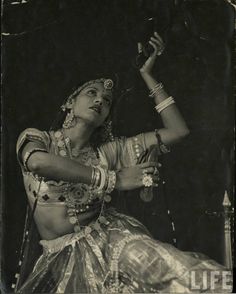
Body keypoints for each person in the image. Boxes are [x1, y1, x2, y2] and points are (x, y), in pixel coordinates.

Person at [15, 33, 231, 293]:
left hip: (110, 243)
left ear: (106, 116)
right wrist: (113, 179)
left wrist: (148, 75)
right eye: (91, 93)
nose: (99, 100)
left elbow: (178, 131)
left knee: (170, 269)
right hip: (58, 264)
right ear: (70, 102)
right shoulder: (37, 138)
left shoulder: (109, 151)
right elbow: (37, 162)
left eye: (106, 101)